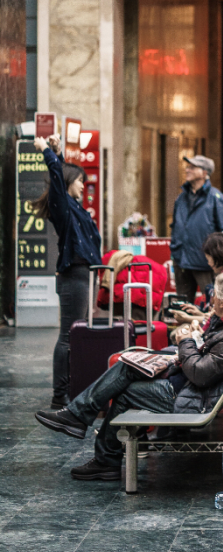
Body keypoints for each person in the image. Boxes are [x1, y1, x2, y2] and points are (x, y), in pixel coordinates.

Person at [34, 272, 223, 480]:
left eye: (214, 297)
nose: (211, 300)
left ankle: (92, 439)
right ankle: (86, 429)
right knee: (129, 365)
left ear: (222, 301)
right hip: (187, 385)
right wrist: (191, 341)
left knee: (124, 389)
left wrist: (186, 341)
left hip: (187, 396)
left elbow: (201, 375)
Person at [31, 135, 102, 411]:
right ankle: (59, 393)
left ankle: (70, 387)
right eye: (80, 180)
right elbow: (57, 181)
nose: (84, 185)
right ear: (69, 183)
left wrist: (58, 154)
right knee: (68, 335)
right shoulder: (63, 209)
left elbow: (59, 178)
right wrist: (47, 151)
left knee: (75, 334)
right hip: (73, 275)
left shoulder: (73, 208)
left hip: (82, 274)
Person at [170, 155, 223, 303]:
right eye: (187, 167)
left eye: (192, 167)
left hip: (205, 263)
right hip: (181, 262)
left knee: (214, 303)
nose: (187, 170)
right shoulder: (181, 198)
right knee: (182, 305)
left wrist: (216, 260)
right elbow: (175, 227)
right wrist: (175, 251)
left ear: (205, 173)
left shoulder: (216, 198)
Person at [171, 232, 223, 325]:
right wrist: (199, 313)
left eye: (208, 259)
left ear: (217, 257)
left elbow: (222, 320)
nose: (208, 263)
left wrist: (188, 318)